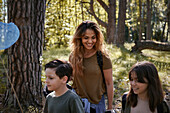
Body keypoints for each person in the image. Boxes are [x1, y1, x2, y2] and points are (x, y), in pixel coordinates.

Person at [69, 20, 114, 113]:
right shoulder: (73, 56)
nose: (90, 41)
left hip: (96, 104)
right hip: (77, 103)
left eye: (93, 37)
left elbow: (109, 83)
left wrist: (110, 107)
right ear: (80, 38)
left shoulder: (102, 56)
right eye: (86, 38)